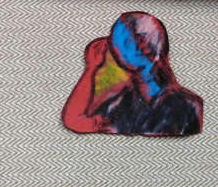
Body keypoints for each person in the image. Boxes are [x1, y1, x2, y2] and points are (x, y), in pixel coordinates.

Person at [61, 12, 203, 136]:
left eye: (115, 41)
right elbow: (76, 121)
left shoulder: (186, 106)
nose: (109, 48)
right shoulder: (121, 102)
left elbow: (77, 121)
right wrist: (93, 67)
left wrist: (93, 66)